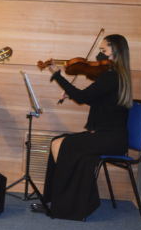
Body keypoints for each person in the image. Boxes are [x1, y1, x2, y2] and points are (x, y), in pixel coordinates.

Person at [43, 34, 132, 220]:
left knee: (63, 145)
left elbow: (82, 97)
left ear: (115, 53)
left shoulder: (110, 76)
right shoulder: (116, 76)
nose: (99, 56)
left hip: (110, 139)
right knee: (57, 141)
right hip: (110, 137)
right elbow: (103, 103)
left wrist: (57, 75)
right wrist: (70, 93)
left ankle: (65, 203)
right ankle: (61, 200)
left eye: (103, 51)